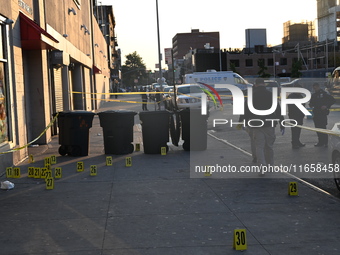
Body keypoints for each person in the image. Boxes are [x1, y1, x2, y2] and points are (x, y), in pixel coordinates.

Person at [244, 78, 285, 169]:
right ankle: (270, 165)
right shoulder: (271, 95)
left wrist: (246, 122)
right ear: (264, 84)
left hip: (255, 124)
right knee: (269, 146)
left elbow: (246, 111)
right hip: (269, 124)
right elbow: (278, 110)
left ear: (255, 84)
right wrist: (281, 122)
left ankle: (262, 167)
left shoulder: (251, 96)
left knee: (259, 146)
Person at [309, 83, 335, 147]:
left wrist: (326, 106)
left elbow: (332, 100)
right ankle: (320, 142)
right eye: (314, 88)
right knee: (317, 128)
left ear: (318, 87)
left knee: (323, 128)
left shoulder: (324, 94)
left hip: (322, 113)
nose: (315, 89)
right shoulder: (314, 95)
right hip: (316, 113)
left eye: (316, 88)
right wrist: (311, 105)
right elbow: (311, 103)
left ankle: (325, 142)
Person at [287, 83, 306, 149]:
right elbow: (292, 106)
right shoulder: (291, 96)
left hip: (300, 116)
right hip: (294, 116)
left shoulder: (300, 96)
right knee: (294, 130)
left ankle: (297, 141)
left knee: (298, 129)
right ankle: (294, 143)